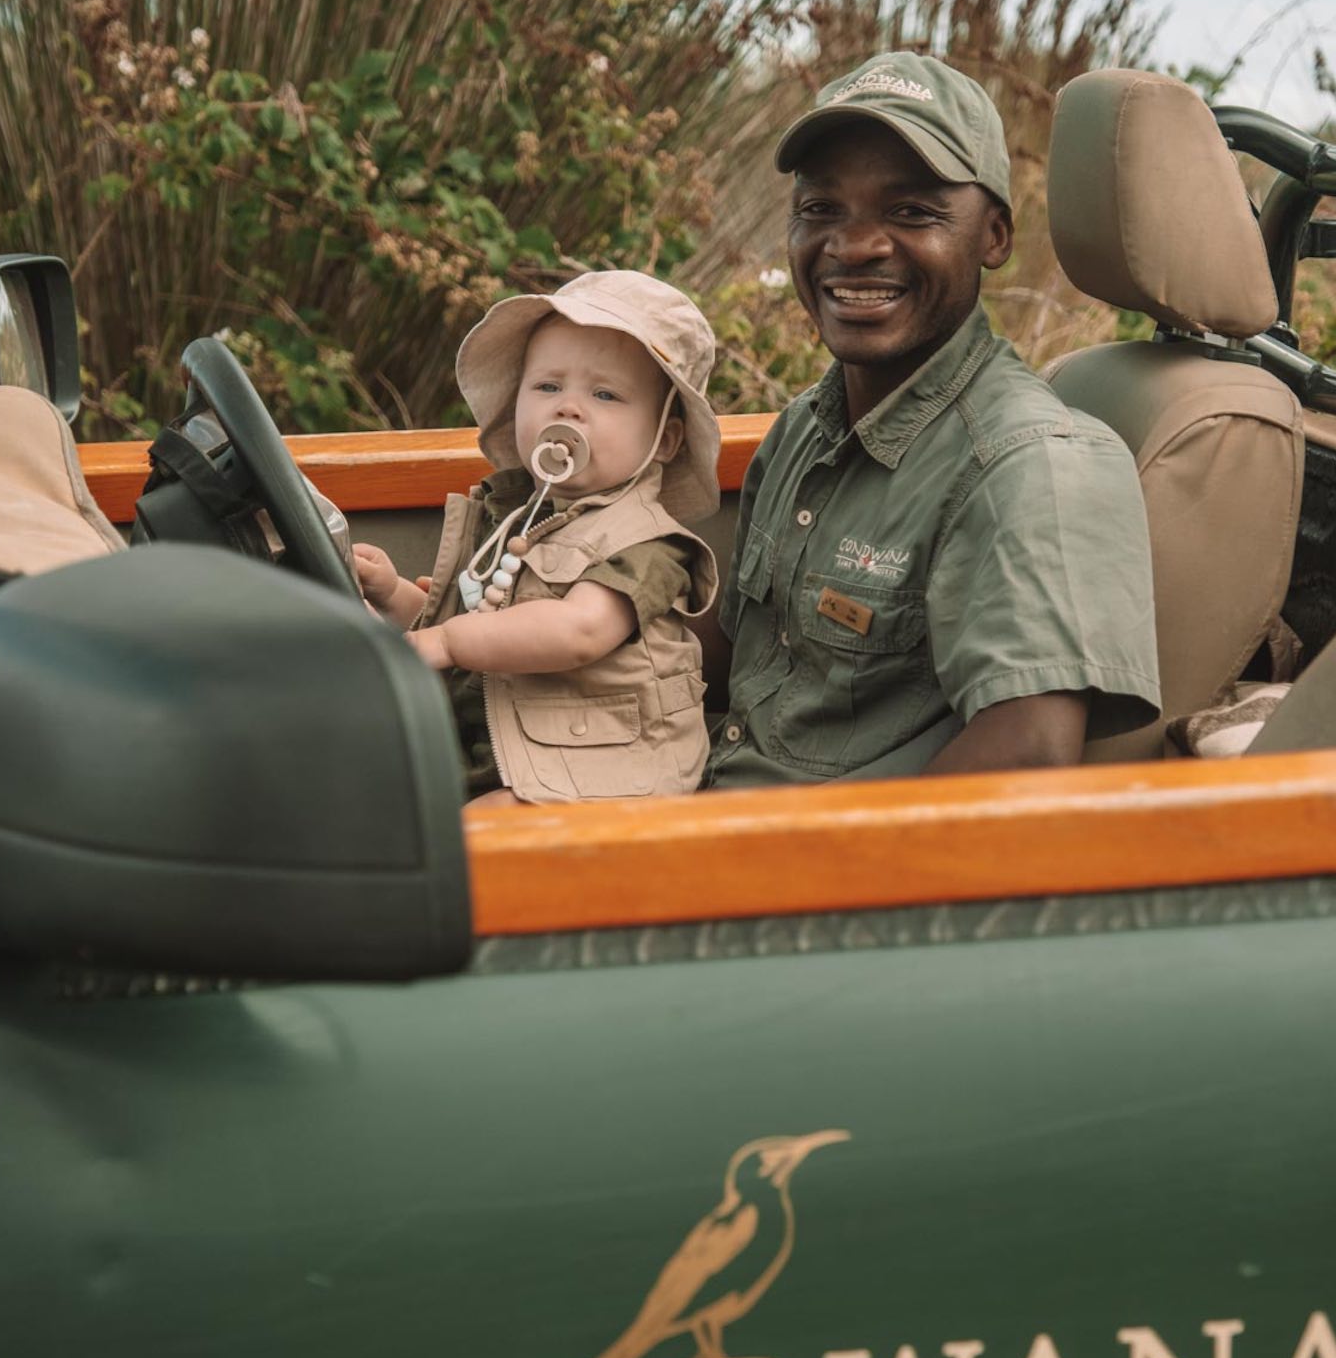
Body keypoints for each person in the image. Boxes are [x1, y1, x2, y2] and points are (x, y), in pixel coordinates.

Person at [699, 51, 1161, 787]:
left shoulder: (1033, 465)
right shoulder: (806, 427)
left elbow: (1026, 761)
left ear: (995, 238)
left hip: (803, 876)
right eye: (821, 209)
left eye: (911, 212)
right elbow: (734, 657)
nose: (853, 247)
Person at [356, 270, 720, 807]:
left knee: (463, 845)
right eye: (548, 386)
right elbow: (481, 618)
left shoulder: (648, 545)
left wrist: (445, 642)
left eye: (605, 394)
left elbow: (576, 630)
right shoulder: (514, 516)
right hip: (510, 754)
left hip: (607, 776)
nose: (568, 407)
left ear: (664, 440)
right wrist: (394, 597)